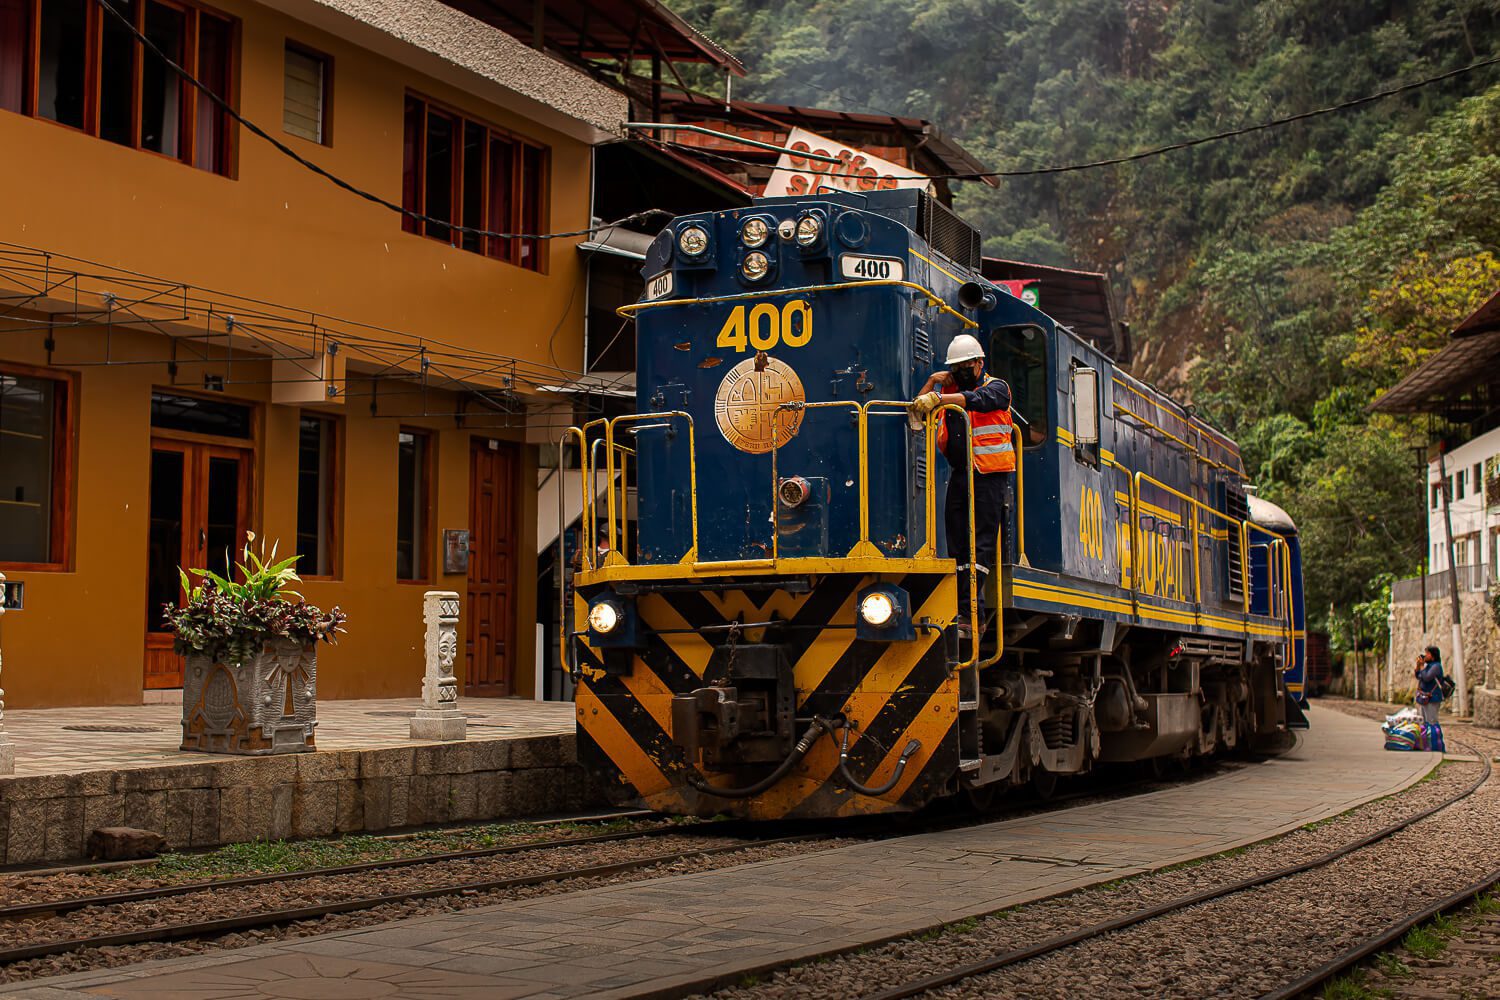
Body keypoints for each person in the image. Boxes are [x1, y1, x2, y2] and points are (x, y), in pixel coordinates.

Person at [909, 333, 1016, 636]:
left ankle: (972, 614)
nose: (962, 371)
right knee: (956, 542)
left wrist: (943, 397)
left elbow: (978, 400)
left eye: (967, 365)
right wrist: (932, 383)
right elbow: (918, 413)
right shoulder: (946, 392)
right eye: (957, 367)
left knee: (979, 546)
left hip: (988, 475)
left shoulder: (997, 387)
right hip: (961, 474)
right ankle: (965, 613)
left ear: (980, 363)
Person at [1414, 645, 1445, 727]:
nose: (1425, 655)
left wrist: (1421, 666)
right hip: (1424, 698)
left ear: (1433, 656)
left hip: (1433, 698)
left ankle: (1434, 738)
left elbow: (1427, 677)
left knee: (1431, 721)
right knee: (1423, 722)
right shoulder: (1428, 666)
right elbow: (1419, 676)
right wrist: (1418, 666)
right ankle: (1426, 738)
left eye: (1427, 653)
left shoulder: (1436, 666)